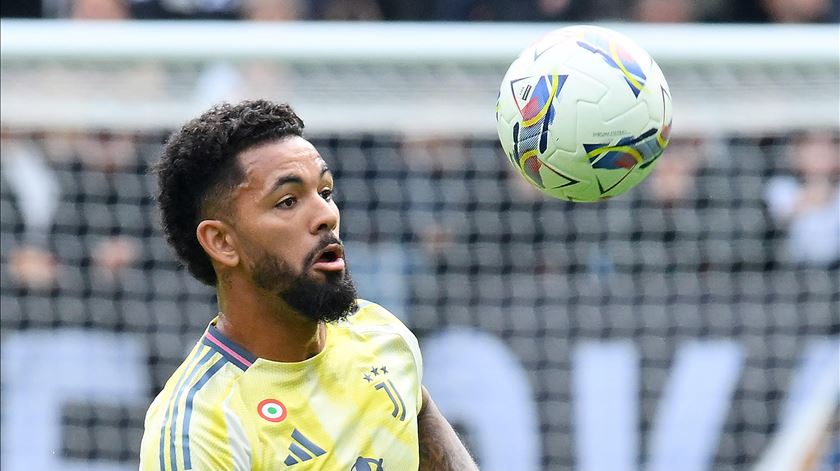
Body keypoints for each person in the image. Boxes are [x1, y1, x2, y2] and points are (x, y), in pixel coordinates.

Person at [138, 99, 478, 470]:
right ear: (222, 242)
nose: (326, 215)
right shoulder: (199, 429)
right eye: (287, 201)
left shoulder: (382, 337)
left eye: (326, 192)